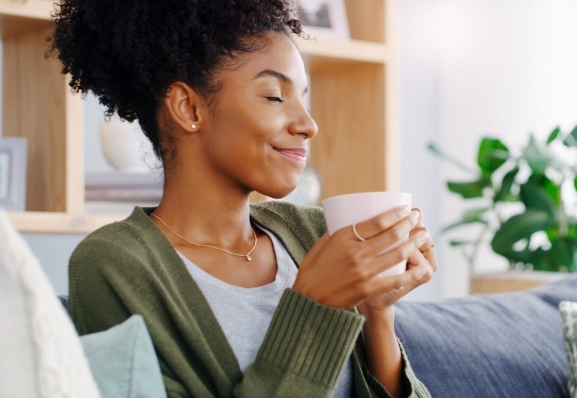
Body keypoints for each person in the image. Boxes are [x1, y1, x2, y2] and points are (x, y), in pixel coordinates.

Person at [51, 1, 437, 397]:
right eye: (274, 96)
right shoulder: (116, 265)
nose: (308, 124)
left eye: (303, 98)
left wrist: (377, 313)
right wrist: (315, 308)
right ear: (188, 107)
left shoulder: (314, 234)